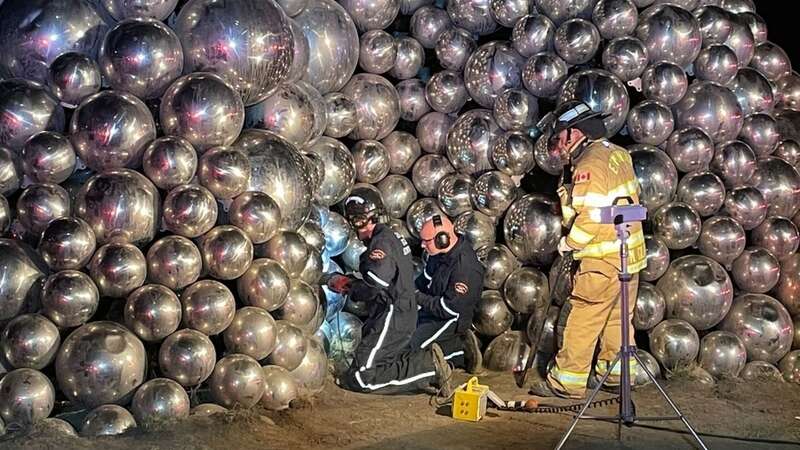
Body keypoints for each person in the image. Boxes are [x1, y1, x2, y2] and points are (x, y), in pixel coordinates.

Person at [529, 101, 647, 399]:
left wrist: (568, 243)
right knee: (618, 319)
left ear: (573, 133)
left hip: (601, 257)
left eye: (559, 139)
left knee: (584, 316)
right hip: (629, 254)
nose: (558, 148)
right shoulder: (617, 154)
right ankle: (615, 375)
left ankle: (567, 381)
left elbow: (591, 215)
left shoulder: (589, 165)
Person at [327, 186, 453, 396]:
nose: (356, 229)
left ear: (367, 218)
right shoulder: (389, 236)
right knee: (369, 366)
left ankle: (429, 369)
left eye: (357, 221)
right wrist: (351, 283)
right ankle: (425, 362)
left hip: (393, 314)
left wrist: (351, 285)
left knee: (361, 379)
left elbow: (377, 281)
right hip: (397, 312)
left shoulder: (381, 242)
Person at [412, 214, 484, 374]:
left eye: (426, 241)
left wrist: (417, 297)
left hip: (451, 317)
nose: (422, 245)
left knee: (413, 347)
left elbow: (450, 309)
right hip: (432, 309)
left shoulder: (464, 267)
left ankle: (461, 353)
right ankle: (457, 346)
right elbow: (424, 280)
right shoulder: (437, 255)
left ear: (442, 239)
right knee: (401, 335)